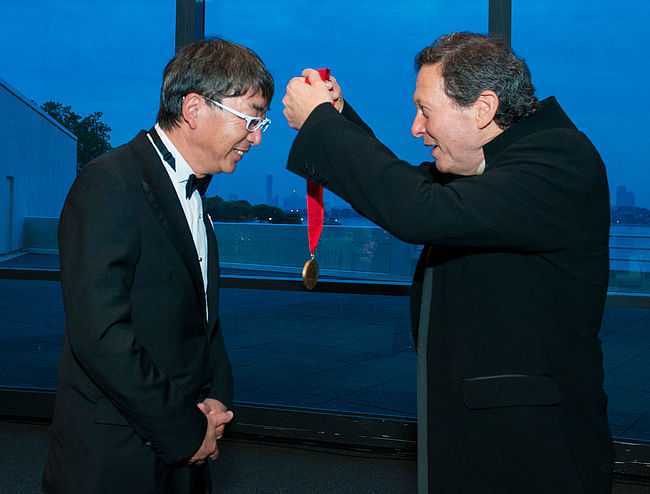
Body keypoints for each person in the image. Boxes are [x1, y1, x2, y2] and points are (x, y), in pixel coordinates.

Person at [283, 32, 613, 494]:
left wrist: (320, 123)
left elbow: (417, 209)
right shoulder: (501, 165)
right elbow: (400, 185)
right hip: (491, 436)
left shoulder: (559, 160)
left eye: (426, 110)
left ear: (483, 109)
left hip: (530, 449)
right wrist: (339, 119)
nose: (417, 128)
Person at [42, 38, 273, 494]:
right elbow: (100, 335)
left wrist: (215, 403)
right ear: (194, 109)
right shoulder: (108, 184)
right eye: (250, 118)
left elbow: (204, 322)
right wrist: (186, 430)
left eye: (261, 122)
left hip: (186, 443)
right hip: (117, 459)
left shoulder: (199, 199)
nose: (257, 136)